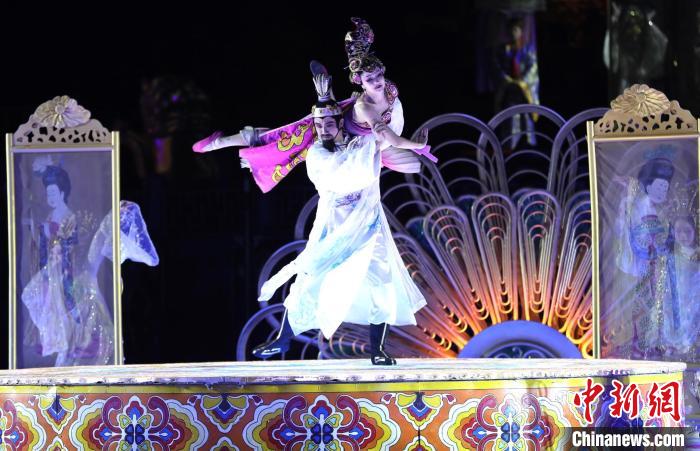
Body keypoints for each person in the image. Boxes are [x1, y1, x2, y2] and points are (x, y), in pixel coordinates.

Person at [251, 62, 428, 365]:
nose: (323, 130)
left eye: (329, 124)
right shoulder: (318, 154)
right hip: (333, 228)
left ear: (340, 123)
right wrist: (398, 147)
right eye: (319, 126)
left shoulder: (364, 143)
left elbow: (385, 133)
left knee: (382, 282)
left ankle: (378, 350)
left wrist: (406, 146)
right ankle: (281, 340)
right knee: (309, 280)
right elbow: (346, 178)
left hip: (368, 225)